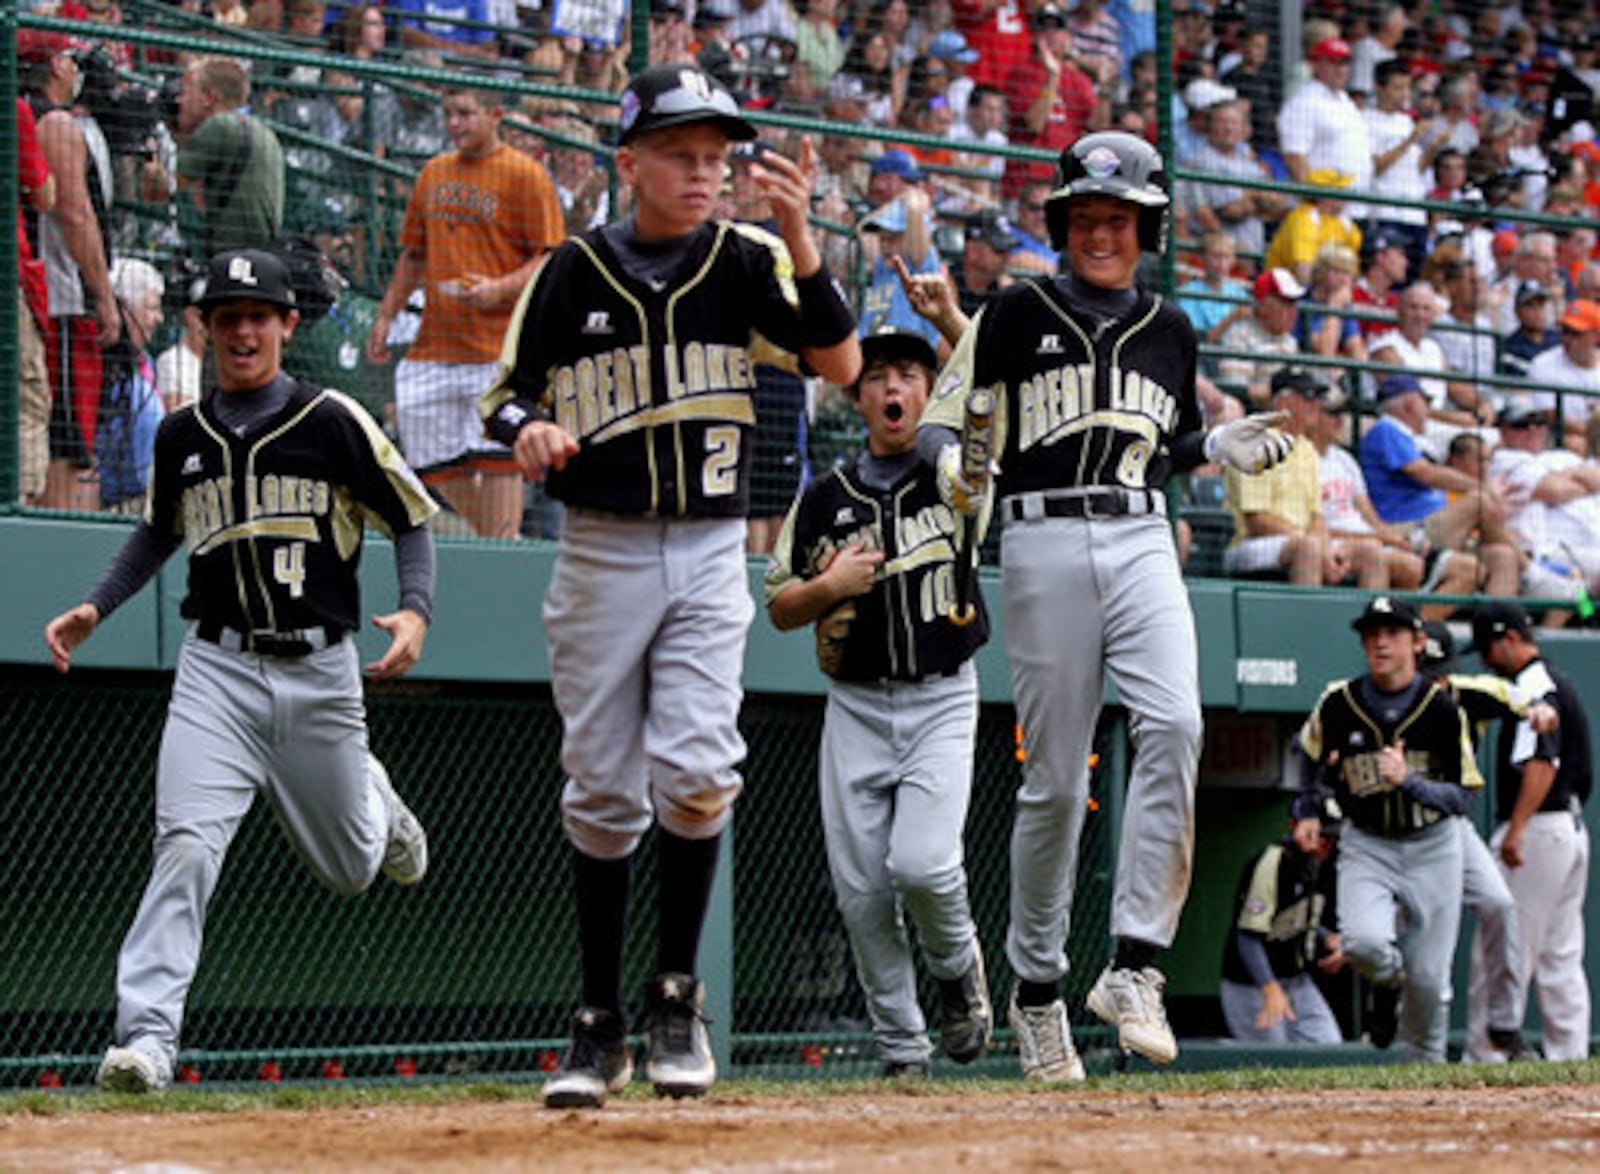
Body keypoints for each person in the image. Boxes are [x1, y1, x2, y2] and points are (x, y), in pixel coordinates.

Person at [479, 64, 861, 1110]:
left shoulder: (746, 259)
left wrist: (806, 238)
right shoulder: (572, 269)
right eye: (681, 155)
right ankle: (597, 1021)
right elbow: (500, 399)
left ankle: (675, 998)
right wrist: (532, 430)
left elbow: (838, 359)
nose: (703, 173)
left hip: (705, 547)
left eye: (715, 157)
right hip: (599, 547)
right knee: (601, 785)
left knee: (696, 770)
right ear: (629, 162)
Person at [917, 130, 1293, 1080]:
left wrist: (1216, 448)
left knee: (1176, 723)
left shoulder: (1170, 328)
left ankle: (1134, 967)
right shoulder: (1011, 312)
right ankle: (1037, 988)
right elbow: (940, 420)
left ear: (1146, 226)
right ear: (1063, 223)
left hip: (1139, 533)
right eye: (1086, 216)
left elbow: (1165, 443)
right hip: (1039, 536)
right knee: (1054, 780)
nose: (1100, 232)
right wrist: (952, 460)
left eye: (1117, 217)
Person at [43, 247, 438, 1094]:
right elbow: (158, 531)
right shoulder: (184, 434)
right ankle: (146, 1040)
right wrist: (98, 605)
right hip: (215, 672)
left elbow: (409, 516)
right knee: (184, 847)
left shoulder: (333, 420)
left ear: (288, 324)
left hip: (319, 673)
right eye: (228, 317)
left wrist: (416, 609)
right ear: (206, 328)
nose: (244, 330)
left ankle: (374, 796)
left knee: (351, 871)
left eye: (260, 315)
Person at [763, 325, 992, 1079]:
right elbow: (780, 604)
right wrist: (828, 589)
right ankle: (902, 1049)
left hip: (941, 697)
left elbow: (978, 462)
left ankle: (958, 971)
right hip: (856, 705)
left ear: (928, 393)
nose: (893, 388)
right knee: (861, 893)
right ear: (856, 394)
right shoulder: (825, 496)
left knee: (924, 867)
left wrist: (951, 425)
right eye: (879, 376)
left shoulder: (952, 477)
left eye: (908, 375)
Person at [367, 83, 565, 540]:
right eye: (448, 112)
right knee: (426, 461)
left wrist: (500, 288)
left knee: (498, 460)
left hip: (500, 347)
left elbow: (549, 256)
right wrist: (385, 315)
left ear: (496, 115)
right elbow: (413, 254)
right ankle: (503, 541)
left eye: (465, 113)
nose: (453, 123)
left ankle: (502, 549)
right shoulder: (433, 173)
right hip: (435, 343)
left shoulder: (525, 175)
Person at [1289, 595, 1477, 1062]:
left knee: (1431, 978)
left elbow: (1463, 795)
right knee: (1364, 943)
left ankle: (1427, 1070)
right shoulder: (1339, 702)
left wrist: (1409, 782)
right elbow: (1307, 755)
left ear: (1417, 642)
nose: (1379, 643)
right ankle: (1389, 983)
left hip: (1433, 845)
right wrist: (1307, 810)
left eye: (1391, 633)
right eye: (1371, 634)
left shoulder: (1442, 708)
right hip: (1367, 841)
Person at [1467, 601, 1594, 1062]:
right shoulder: (1554, 680)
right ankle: (1569, 1058)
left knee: (1504, 949)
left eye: (1487, 647)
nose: (1483, 660)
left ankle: (1487, 1055)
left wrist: (1517, 828)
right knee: (1559, 956)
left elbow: (1543, 760)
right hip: (1569, 828)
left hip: (1539, 828)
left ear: (1510, 639)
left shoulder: (1533, 685)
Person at [22, 29, 121, 514]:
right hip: (62, 299)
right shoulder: (54, 122)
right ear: (56, 67)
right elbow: (75, 215)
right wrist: (104, 295)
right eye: (69, 57)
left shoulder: (27, 115)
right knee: (65, 438)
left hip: (47, 294)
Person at [1357, 373, 1520, 601]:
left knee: (1503, 556)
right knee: (1481, 500)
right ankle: (1532, 571)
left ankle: (1497, 624)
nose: (1428, 410)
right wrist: (1484, 488)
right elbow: (1425, 473)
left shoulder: (1407, 435)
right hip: (1406, 529)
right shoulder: (1387, 428)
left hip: (1432, 527)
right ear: (1410, 403)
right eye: (1426, 402)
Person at [1221, 367, 1387, 588]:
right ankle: (1306, 621)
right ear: (1282, 404)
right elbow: (1258, 522)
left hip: (1300, 540)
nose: (1316, 406)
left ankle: (1375, 621)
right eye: (1308, 398)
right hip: (1251, 543)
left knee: (1372, 551)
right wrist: (1317, 545)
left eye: (1317, 399)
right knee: (1309, 547)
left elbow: (1316, 517)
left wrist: (1326, 548)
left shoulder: (1306, 448)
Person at [1220, 795, 1346, 1044]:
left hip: (1298, 982)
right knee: (1271, 1062)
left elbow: (1297, 921)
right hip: (1251, 985)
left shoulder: (1324, 865)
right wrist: (1269, 988)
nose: (1324, 843)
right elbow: (1247, 935)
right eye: (1319, 834)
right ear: (1294, 827)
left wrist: (1328, 939)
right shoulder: (1274, 862)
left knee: (1330, 1049)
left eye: (1330, 836)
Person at [172, 58, 286, 260]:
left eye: (187, 91)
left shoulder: (221, 125)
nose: (179, 100)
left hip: (231, 256)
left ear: (209, 97)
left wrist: (151, 143)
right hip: (257, 256)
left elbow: (163, 188)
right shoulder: (264, 132)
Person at [1276, 36, 1373, 190]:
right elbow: (1294, 156)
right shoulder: (1303, 101)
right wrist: (1315, 199)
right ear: (1314, 64)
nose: (1340, 69)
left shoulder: (1346, 102)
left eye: (1345, 62)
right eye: (1333, 62)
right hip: (1323, 205)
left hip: (1356, 205)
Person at [1214, 268, 1306, 408]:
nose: (1293, 311)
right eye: (1285, 303)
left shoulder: (1290, 341)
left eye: (1294, 303)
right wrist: (1276, 389)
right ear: (1262, 305)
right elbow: (1237, 389)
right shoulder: (1240, 335)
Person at [1527, 299, 1600, 454]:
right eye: (1565, 331)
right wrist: (1593, 434)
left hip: (1592, 439)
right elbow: (1550, 416)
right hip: (1556, 441)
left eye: (1576, 333)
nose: (1568, 339)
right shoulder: (1543, 364)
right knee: (1574, 443)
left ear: (1596, 336)